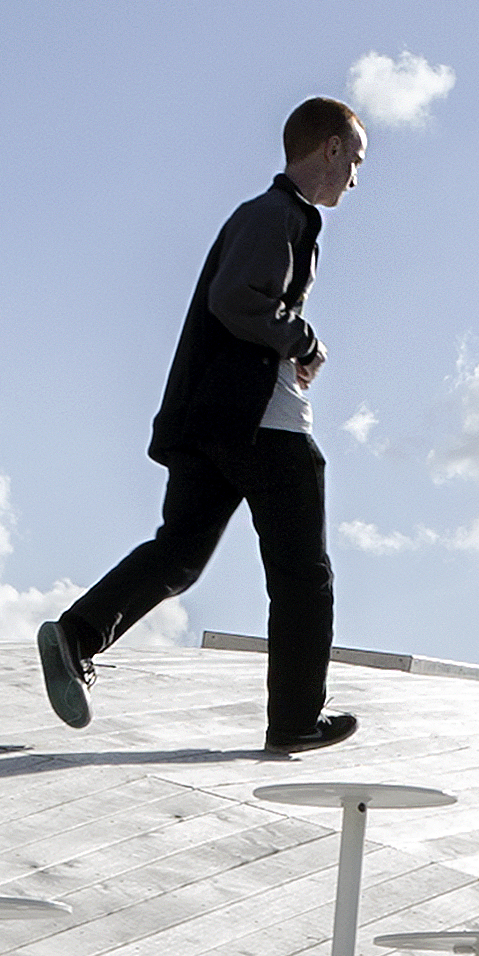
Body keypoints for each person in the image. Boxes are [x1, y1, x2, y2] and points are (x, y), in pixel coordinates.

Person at [39, 98, 363, 753]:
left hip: (211, 422)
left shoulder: (270, 216)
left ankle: (76, 636)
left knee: (180, 554)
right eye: (354, 160)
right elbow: (236, 299)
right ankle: (296, 719)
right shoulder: (278, 215)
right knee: (303, 576)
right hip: (263, 424)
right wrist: (303, 341)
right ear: (329, 148)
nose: (355, 178)